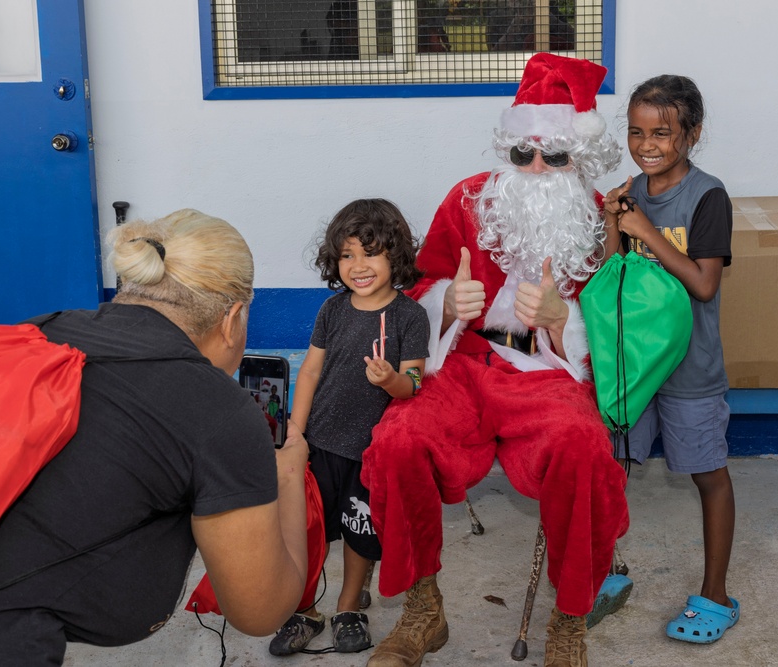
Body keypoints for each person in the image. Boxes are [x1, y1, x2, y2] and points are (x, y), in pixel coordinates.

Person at [0, 209, 310, 665]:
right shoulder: (217, 410)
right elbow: (259, 610)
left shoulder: (42, 331)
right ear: (232, 318)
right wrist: (287, 475)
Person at [360, 53, 630, 667]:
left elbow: (613, 326)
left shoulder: (594, 217)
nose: (537, 168)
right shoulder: (467, 200)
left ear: (575, 158)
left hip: (546, 371)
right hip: (464, 359)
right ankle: (423, 611)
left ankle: (570, 620)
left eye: (554, 156)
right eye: (522, 154)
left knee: (584, 450)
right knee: (399, 440)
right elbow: (420, 287)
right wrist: (448, 306)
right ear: (506, 149)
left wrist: (565, 321)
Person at [602, 74, 738, 644]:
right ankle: (607, 573)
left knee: (707, 474)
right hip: (634, 366)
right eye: (636, 131)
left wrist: (645, 229)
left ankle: (715, 595)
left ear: (692, 134)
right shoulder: (630, 189)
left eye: (662, 132)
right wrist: (614, 224)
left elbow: (704, 285)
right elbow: (613, 272)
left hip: (690, 370)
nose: (647, 143)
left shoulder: (708, 196)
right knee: (612, 469)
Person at [268, 199, 431, 656]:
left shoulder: (409, 317)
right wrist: (294, 432)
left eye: (371, 252)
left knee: (361, 531)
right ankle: (305, 610)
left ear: (395, 255)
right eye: (347, 255)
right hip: (320, 442)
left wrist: (392, 380)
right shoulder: (332, 311)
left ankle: (347, 607)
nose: (358, 266)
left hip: (370, 451)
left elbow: (415, 382)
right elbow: (312, 373)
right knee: (307, 530)